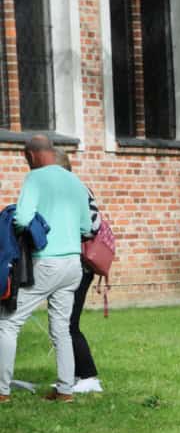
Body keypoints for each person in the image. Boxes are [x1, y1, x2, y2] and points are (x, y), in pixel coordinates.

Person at [0, 136, 93, 403]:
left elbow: (22, 219)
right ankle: (65, 390)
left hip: (46, 261)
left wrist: (28, 232)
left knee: (8, 322)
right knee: (61, 329)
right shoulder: (75, 181)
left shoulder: (35, 179)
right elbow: (86, 228)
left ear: (31, 154)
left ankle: (2, 392)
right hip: (73, 264)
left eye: (25, 158)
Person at [55, 149, 104, 394]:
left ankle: (89, 377)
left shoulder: (75, 190)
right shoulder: (73, 189)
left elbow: (92, 226)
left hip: (80, 266)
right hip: (72, 265)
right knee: (65, 323)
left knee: (69, 323)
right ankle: (72, 375)